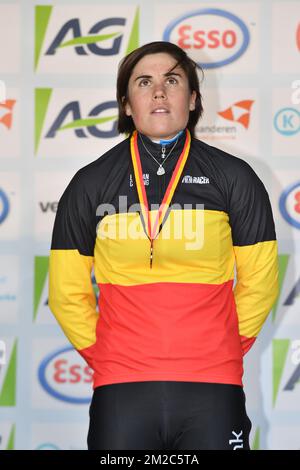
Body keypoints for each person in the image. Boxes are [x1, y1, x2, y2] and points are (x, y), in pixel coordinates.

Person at [48, 41, 279, 450]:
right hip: (121, 386)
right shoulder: (89, 183)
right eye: (144, 82)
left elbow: (260, 283)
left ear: (191, 99)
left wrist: (221, 347)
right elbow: (67, 294)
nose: (158, 92)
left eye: (172, 80)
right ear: (126, 103)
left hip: (213, 383)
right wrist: (110, 358)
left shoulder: (235, 177)